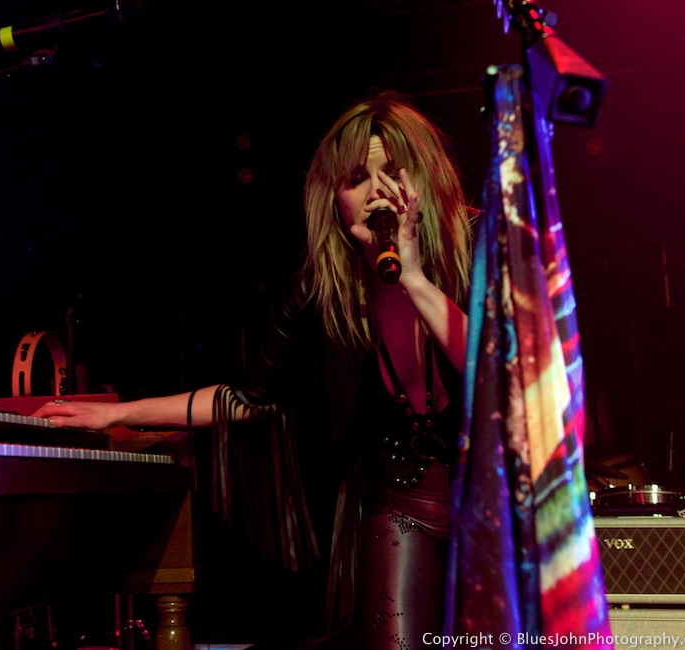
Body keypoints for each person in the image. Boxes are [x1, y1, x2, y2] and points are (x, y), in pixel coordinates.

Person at [33, 90, 474, 649]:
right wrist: (120, 412)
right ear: (334, 196)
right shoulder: (325, 288)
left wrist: (412, 279)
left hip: (492, 504)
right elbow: (246, 399)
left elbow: (502, 377)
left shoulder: (476, 248)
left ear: (425, 179)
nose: (377, 193)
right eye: (357, 177)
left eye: (394, 172)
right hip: (403, 509)